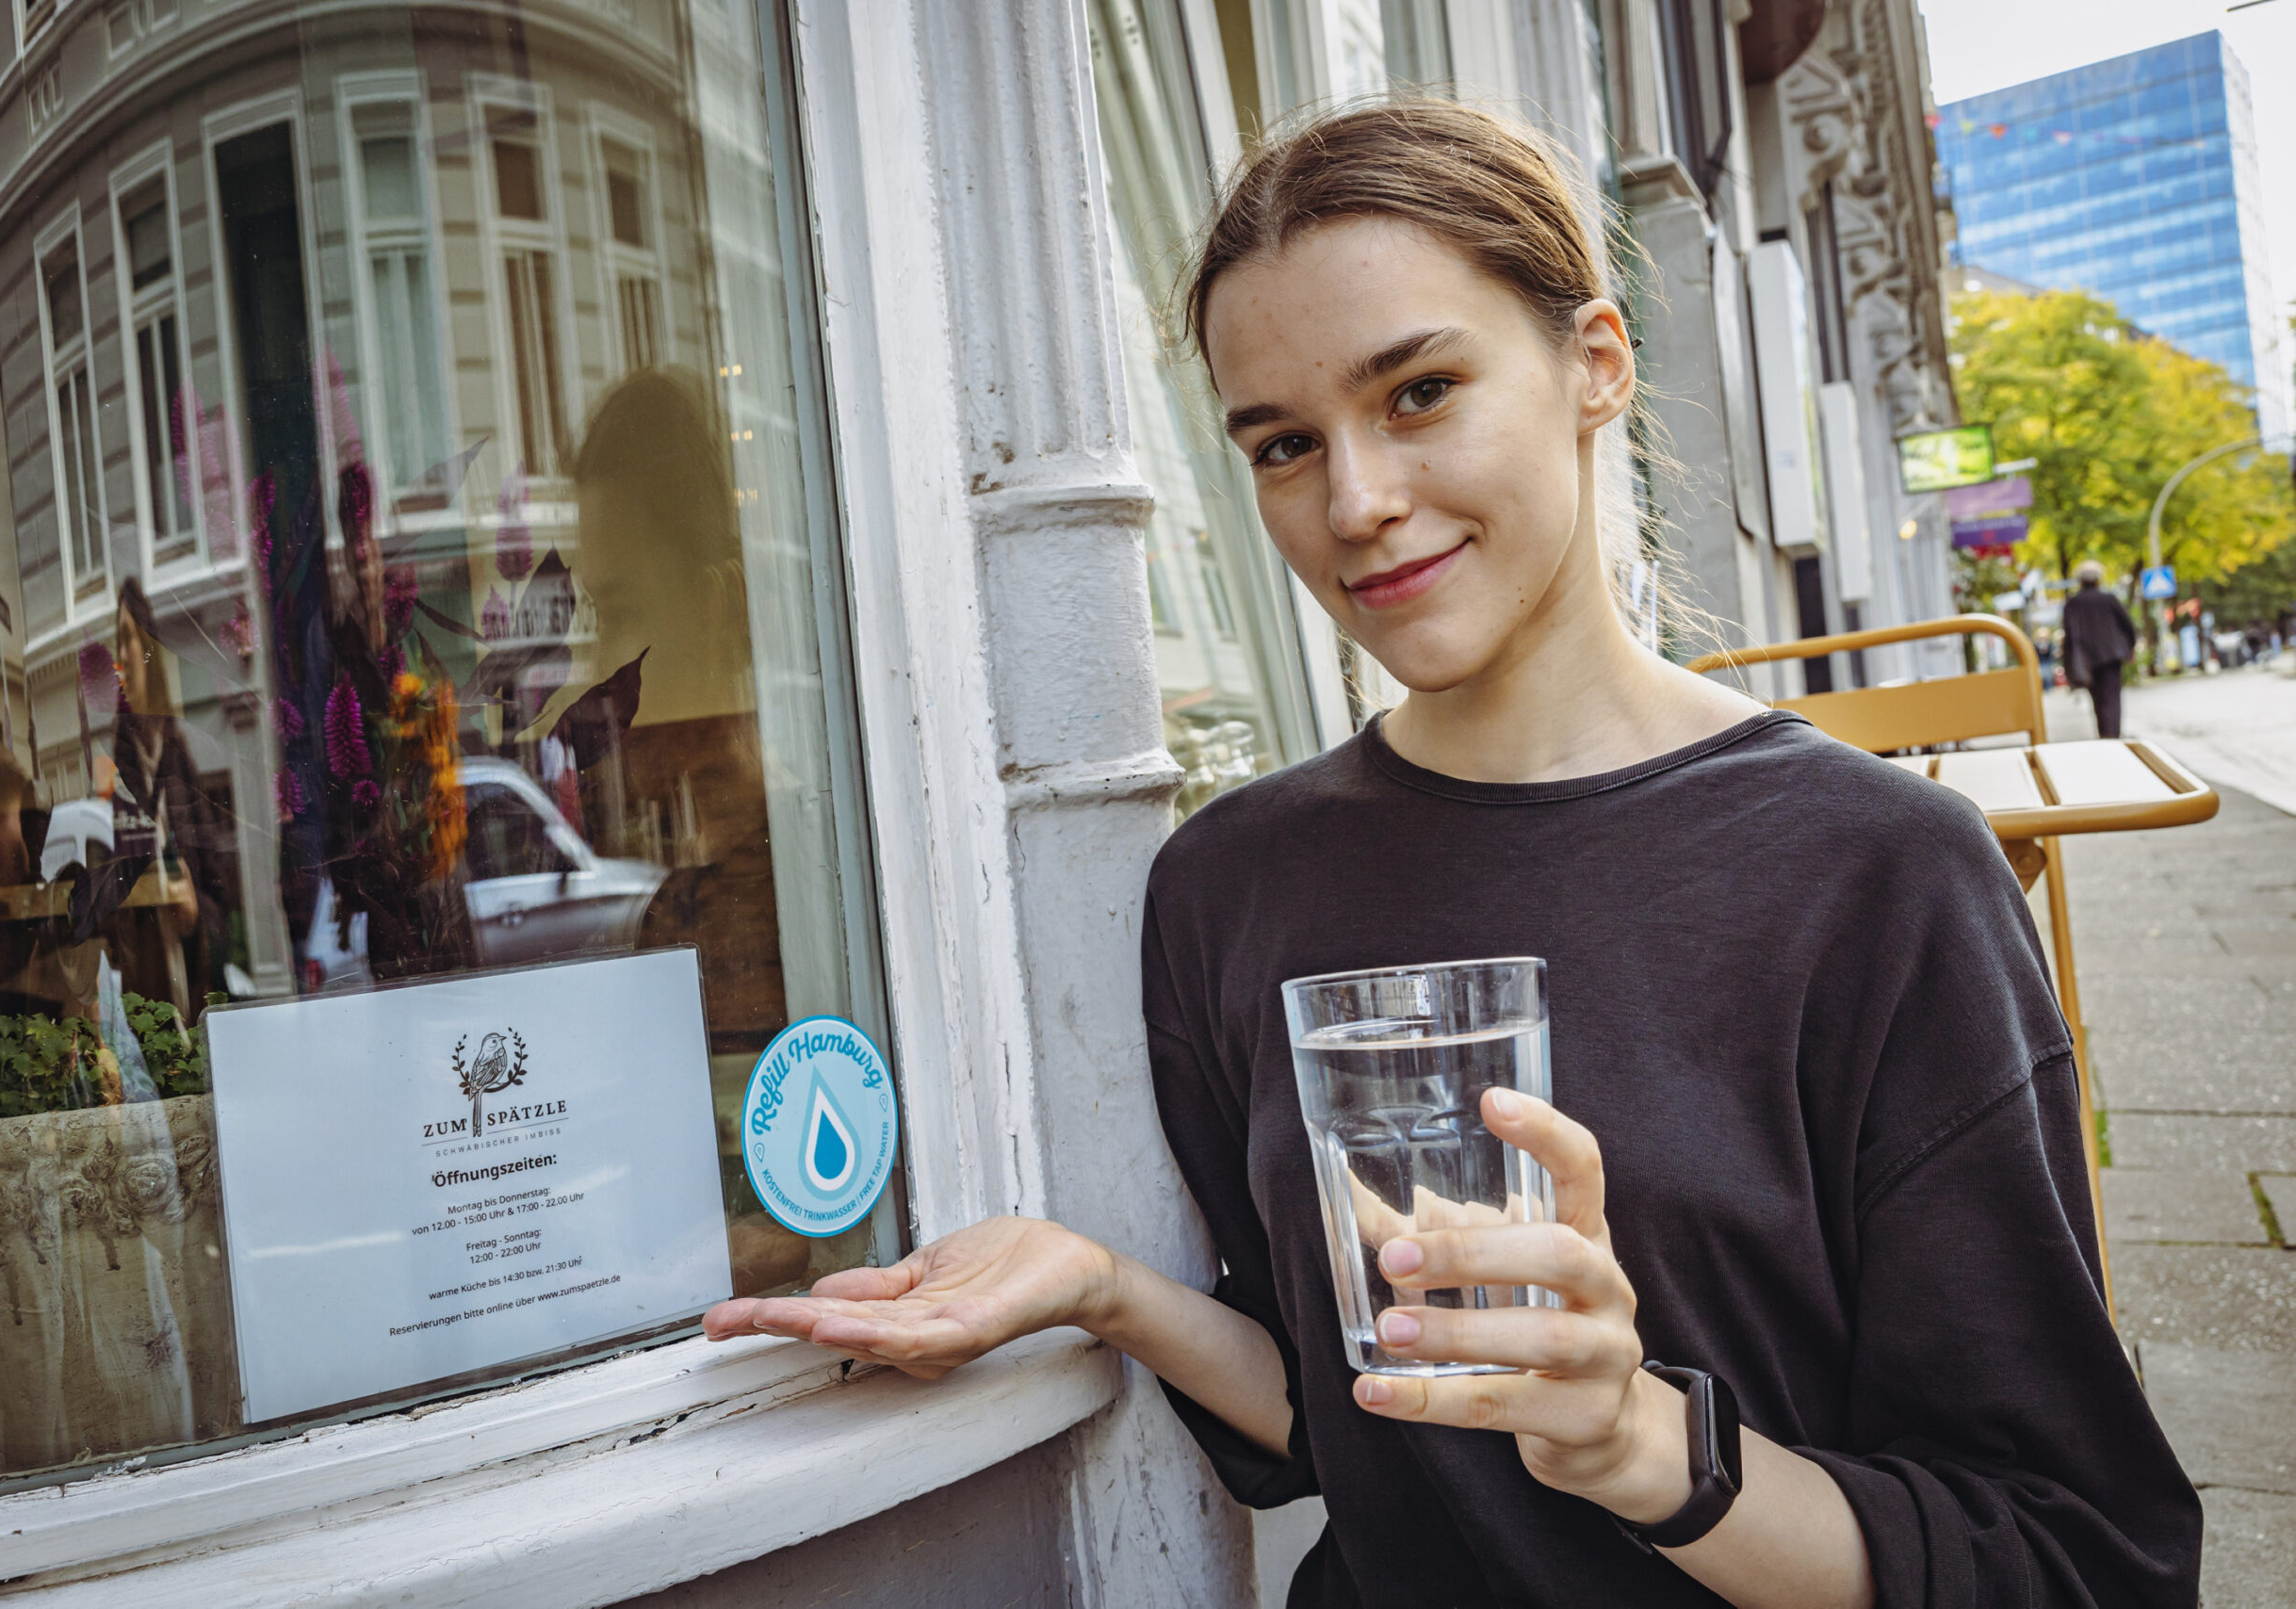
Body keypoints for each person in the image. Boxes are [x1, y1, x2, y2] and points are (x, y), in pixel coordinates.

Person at [708, 102, 2198, 1606]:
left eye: (1418, 392)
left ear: (1594, 365)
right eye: (1284, 444)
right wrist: (1110, 1294)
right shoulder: (1228, 886)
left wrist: (1640, 1445)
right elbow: (1354, 1421)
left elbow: (2072, 1557)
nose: (1353, 503)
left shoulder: (1881, 877)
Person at [2062, 559, 2139, 738]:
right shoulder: (2109, 599)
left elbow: (2068, 636)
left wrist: (2069, 664)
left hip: (2087, 660)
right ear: (2099, 579)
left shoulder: (2073, 603)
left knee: (2097, 700)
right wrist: (2130, 648)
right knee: (2112, 698)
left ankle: (2104, 734)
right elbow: (2128, 626)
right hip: (2111, 656)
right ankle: (2113, 734)